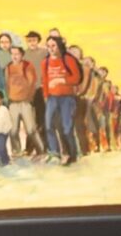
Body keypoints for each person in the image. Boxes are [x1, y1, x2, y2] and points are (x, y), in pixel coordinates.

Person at [42, 35, 83, 165]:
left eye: (53, 45)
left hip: (67, 98)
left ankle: (72, 154)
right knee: (48, 125)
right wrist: (46, 96)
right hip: (52, 98)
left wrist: (61, 80)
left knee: (66, 128)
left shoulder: (68, 59)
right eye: (48, 46)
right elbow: (45, 80)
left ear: (59, 46)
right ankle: (54, 152)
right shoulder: (45, 62)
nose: (51, 49)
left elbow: (77, 78)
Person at [5, 45, 44, 157]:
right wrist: (9, 98)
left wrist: (29, 98)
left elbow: (32, 83)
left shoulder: (27, 65)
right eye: (12, 54)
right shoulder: (8, 67)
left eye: (17, 54)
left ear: (21, 55)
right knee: (13, 130)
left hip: (25, 102)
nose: (14, 56)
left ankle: (41, 151)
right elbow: (6, 84)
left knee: (31, 129)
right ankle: (16, 152)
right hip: (13, 102)